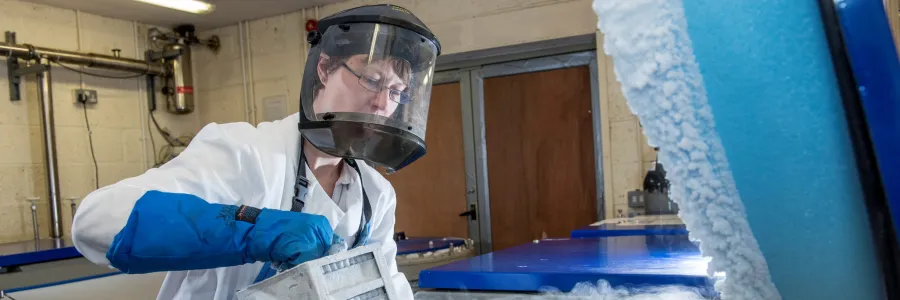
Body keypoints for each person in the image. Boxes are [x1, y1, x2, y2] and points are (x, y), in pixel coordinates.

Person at [72, 4, 441, 299]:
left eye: (395, 92)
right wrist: (251, 229)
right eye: (371, 79)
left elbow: (387, 286)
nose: (381, 103)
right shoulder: (243, 152)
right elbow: (96, 223)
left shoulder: (375, 195)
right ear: (325, 69)